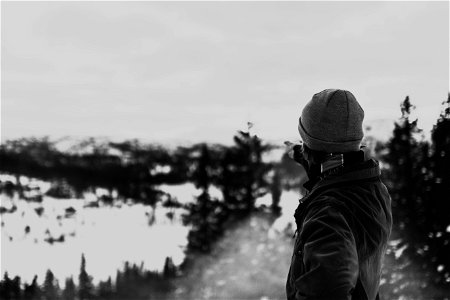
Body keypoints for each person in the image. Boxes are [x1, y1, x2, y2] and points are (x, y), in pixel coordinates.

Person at [285, 89, 392, 300]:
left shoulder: (328, 213)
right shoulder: (370, 187)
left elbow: (331, 289)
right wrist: (303, 151)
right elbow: (332, 170)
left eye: (305, 143)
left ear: (314, 150)